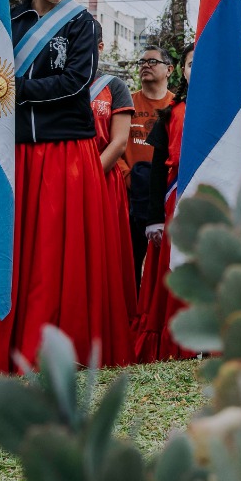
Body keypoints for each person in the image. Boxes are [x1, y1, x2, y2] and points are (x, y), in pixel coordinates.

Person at [0, 0, 136, 375]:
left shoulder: (82, 23)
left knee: (63, 255)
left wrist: (11, 88)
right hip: (18, 149)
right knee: (20, 252)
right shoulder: (8, 18)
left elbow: (76, 83)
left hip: (67, 150)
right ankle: (13, 350)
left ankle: (65, 349)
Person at [134, 44, 195, 363]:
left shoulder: (234, 111)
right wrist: (154, 217)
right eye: (189, 64)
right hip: (175, 204)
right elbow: (158, 170)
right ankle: (172, 340)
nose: (195, 68)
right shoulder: (172, 112)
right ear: (181, 71)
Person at [89, 45, 137, 333]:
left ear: (100, 47)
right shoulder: (54, 82)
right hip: (61, 180)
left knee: (103, 255)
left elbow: (118, 142)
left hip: (102, 179)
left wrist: (86, 178)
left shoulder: (113, 86)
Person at [126, 46, 176, 278]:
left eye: (152, 61)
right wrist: (127, 177)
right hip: (130, 194)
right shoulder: (127, 102)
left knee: (164, 261)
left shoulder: (177, 107)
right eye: (142, 61)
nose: (145, 65)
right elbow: (114, 146)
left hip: (165, 195)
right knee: (130, 258)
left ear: (169, 69)